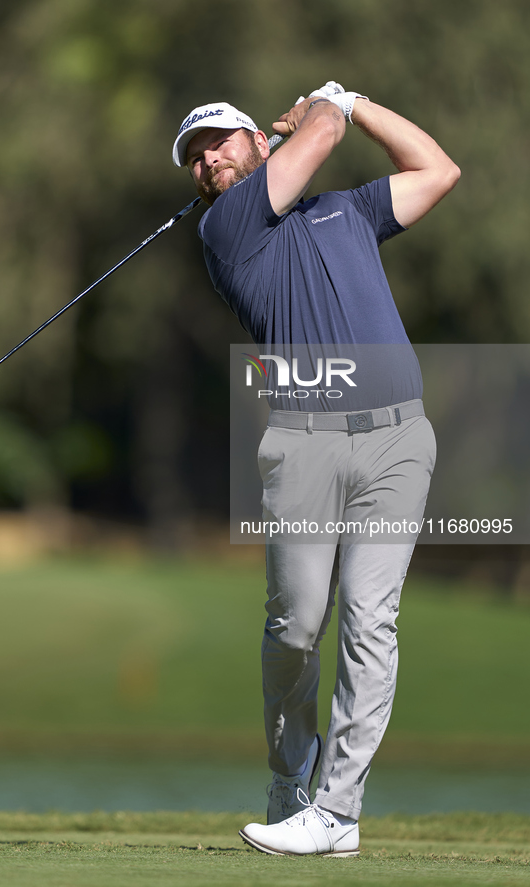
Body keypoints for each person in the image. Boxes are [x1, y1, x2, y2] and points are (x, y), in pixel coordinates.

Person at [172, 82, 460, 857]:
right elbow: (323, 135)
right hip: (304, 441)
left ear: (258, 143)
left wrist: (358, 102)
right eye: (195, 158)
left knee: (372, 623)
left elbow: (437, 170)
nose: (207, 161)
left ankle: (336, 812)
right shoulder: (226, 226)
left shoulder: (346, 212)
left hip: (399, 440)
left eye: (220, 142)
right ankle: (290, 782)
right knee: (296, 627)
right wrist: (327, 107)